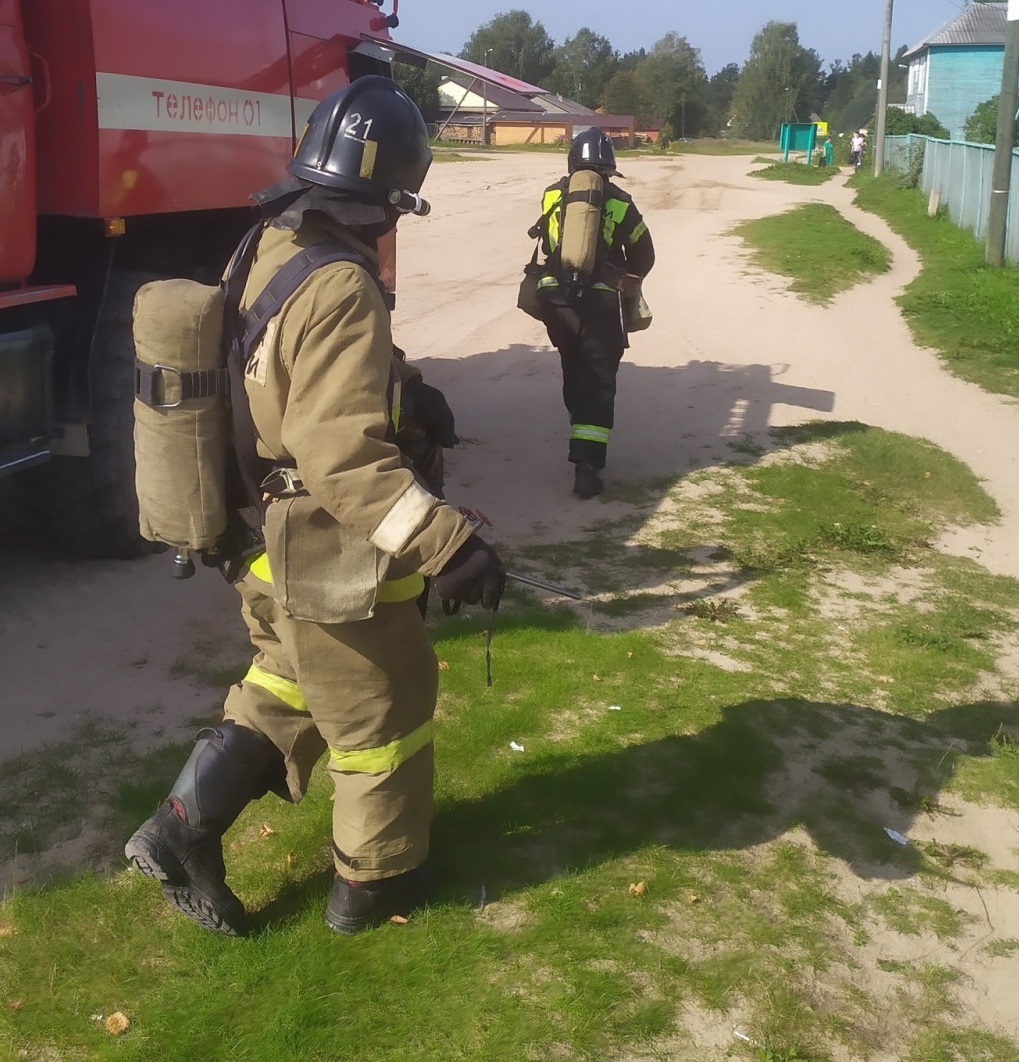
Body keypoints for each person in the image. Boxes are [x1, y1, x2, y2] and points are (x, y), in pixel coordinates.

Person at [125, 76, 506, 937]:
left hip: (256, 537)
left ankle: (181, 831)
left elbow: (285, 372)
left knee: (287, 679)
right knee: (383, 713)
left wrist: (405, 392)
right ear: (389, 197)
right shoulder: (344, 285)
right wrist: (451, 548)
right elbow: (342, 459)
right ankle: (377, 887)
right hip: (322, 552)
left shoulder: (271, 240)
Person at [529, 127, 655, 499]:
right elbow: (645, 254)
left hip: (556, 299)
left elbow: (550, 244)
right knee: (599, 380)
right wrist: (627, 280)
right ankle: (587, 466)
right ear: (609, 168)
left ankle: (579, 426)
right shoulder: (620, 201)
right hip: (601, 303)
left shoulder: (552, 194)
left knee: (574, 366)